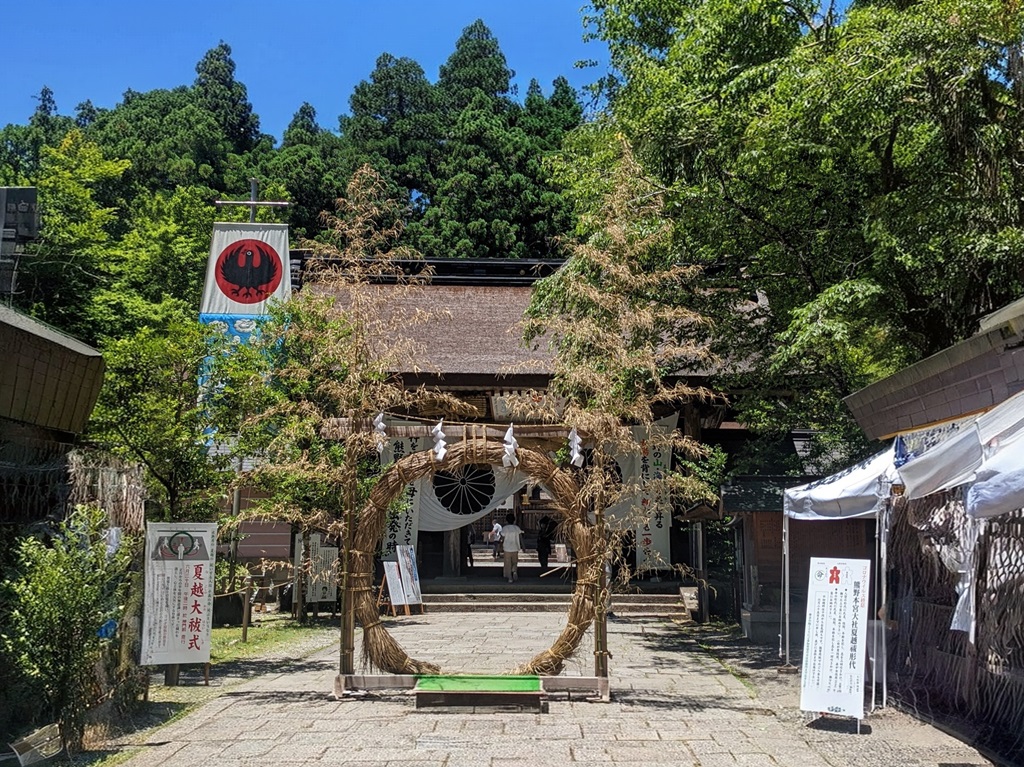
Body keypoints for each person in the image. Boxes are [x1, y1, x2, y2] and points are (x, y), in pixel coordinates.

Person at [500, 513, 524, 583]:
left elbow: (502, 538)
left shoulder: (505, 528)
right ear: (514, 520)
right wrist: (523, 546)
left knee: (508, 563)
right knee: (515, 561)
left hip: (507, 548)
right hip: (515, 547)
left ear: (506, 520)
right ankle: (514, 571)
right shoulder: (517, 528)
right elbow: (520, 538)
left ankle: (510, 577)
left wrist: (500, 546)